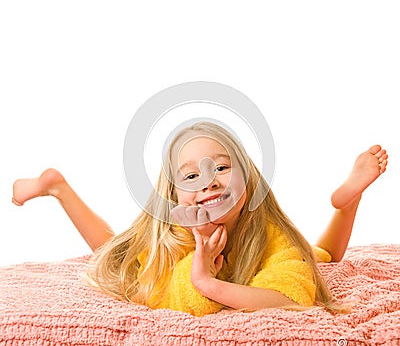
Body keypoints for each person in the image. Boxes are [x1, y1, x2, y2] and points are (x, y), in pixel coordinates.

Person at [12, 121, 388, 317]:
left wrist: (209, 283)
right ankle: (58, 187)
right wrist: (196, 267)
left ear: (249, 179)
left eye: (221, 167)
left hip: (250, 252)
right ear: (174, 195)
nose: (208, 182)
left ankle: (347, 201)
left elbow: (289, 298)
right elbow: (161, 297)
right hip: (169, 253)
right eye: (190, 176)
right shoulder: (173, 234)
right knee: (113, 254)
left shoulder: (267, 232)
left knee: (318, 256)